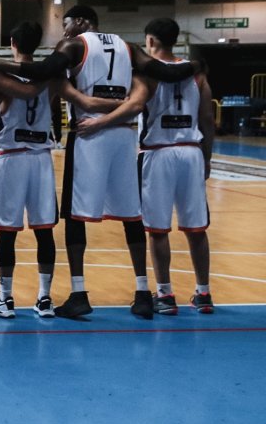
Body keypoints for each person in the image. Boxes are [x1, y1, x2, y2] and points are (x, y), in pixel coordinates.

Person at [0, 5, 198, 319]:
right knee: (131, 215)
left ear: (80, 22)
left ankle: (78, 293)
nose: (64, 31)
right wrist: (197, 65)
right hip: (123, 135)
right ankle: (142, 292)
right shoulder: (128, 47)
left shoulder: (75, 45)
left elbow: (40, 72)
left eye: (66, 24)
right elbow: (167, 72)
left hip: (88, 133)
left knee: (74, 215)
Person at [74, 18, 215, 314]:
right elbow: (207, 119)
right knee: (196, 228)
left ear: (150, 41)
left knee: (158, 229)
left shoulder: (145, 75)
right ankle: (203, 292)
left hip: (158, 153)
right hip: (191, 151)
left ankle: (164, 294)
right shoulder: (197, 75)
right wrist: (207, 157)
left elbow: (132, 106)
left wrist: (99, 121)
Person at [0, 22, 60, 319]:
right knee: (44, 231)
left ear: (12, 43)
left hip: (12, 158)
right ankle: (44, 298)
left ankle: (5, 298)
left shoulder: (2, 78)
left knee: (7, 232)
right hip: (41, 158)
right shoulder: (51, 79)